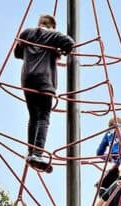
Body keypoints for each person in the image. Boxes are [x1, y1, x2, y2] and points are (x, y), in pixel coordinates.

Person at [14, 14, 75, 170]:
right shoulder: (53, 35)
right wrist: (61, 50)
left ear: (39, 23)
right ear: (52, 26)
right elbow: (70, 43)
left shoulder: (27, 33)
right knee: (43, 117)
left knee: (33, 116)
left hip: (27, 79)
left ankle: (30, 152)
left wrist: (32, 53)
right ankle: (38, 153)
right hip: (44, 80)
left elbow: (17, 54)